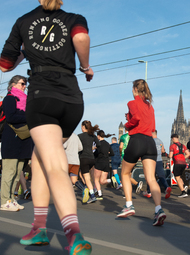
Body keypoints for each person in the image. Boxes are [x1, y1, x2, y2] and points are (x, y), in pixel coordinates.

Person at [0, 0, 94, 253]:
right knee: (39, 156)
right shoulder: (74, 17)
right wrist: (85, 66)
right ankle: (38, 228)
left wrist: (27, 48)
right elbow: (81, 39)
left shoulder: (23, 21)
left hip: (43, 97)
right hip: (72, 99)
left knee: (54, 164)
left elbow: (6, 64)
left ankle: (73, 234)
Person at [117, 79, 166, 226]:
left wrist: (127, 124)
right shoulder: (150, 106)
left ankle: (129, 205)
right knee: (151, 178)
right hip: (150, 142)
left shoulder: (132, 103)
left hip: (137, 139)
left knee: (125, 173)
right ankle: (158, 209)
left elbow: (136, 118)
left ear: (134, 89)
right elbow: (153, 127)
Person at [0, 75, 33, 212]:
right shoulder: (9, 98)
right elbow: (11, 116)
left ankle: (12, 199)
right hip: (11, 139)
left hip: (23, 140)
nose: (24, 86)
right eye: (22, 83)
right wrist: (30, 116)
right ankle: (4, 201)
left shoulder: (25, 101)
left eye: (25, 84)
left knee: (18, 172)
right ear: (13, 84)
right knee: (9, 172)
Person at [143, 130, 172, 199]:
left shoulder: (150, 141)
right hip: (159, 160)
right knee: (161, 175)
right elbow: (163, 151)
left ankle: (149, 192)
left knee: (150, 176)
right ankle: (166, 187)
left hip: (151, 160)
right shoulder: (160, 141)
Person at [78, 120, 101, 204]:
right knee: (89, 177)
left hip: (83, 158)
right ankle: (90, 188)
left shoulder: (79, 136)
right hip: (92, 158)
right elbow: (98, 145)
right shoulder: (93, 136)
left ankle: (92, 195)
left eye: (81, 126)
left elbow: (78, 147)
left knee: (86, 178)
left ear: (83, 127)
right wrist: (93, 148)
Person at [119, 129, 143, 194]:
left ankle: (133, 186)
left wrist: (120, 153)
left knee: (124, 175)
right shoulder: (134, 136)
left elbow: (121, 147)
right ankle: (135, 185)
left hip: (125, 157)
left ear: (124, 129)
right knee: (128, 175)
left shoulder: (123, 137)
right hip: (134, 157)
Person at [93, 130, 114, 200]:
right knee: (102, 181)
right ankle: (111, 180)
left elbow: (96, 154)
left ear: (98, 136)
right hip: (106, 163)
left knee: (96, 179)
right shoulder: (108, 144)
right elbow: (112, 153)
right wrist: (107, 153)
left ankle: (100, 194)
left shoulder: (98, 144)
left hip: (99, 163)